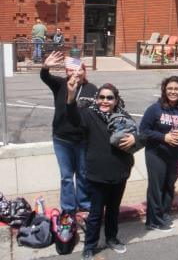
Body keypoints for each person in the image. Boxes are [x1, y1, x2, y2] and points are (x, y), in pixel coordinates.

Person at [66, 81, 137, 259]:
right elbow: (73, 118)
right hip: (97, 173)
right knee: (96, 213)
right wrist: (70, 95)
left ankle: (112, 239)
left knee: (113, 210)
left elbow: (139, 133)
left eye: (109, 98)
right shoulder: (89, 115)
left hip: (120, 171)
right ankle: (90, 245)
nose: (105, 101)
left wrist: (135, 139)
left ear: (116, 100)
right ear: (97, 99)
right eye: (101, 97)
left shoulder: (124, 116)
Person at [41, 51, 97, 214]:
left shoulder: (91, 89)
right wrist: (45, 67)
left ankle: (84, 203)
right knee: (66, 177)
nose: (76, 73)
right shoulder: (59, 84)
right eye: (72, 70)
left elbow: (95, 115)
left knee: (83, 173)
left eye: (80, 69)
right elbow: (45, 77)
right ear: (67, 72)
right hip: (61, 139)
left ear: (84, 71)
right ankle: (68, 207)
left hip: (82, 140)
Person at [139, 76, 178, 231]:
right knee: (156, 187)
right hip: (156, 153)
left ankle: (163, 213)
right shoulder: (155, 109)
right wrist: (164, 137)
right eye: (170, 88)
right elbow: (143, 131)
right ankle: (153, 220)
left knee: (169, 185)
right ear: (164, 90)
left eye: (176, 89)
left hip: (177, 154)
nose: (173, 91)